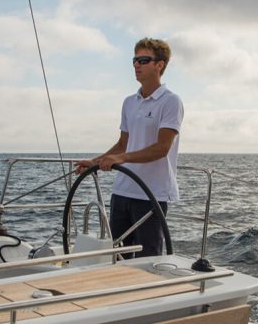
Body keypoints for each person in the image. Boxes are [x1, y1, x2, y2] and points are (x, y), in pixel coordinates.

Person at [77, 37, 184, 259]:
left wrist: (121, 159)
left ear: (159, 65)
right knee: (117, 257)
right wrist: (96, 161)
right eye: (134, 60)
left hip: (151, 193)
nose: (136, 65)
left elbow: (162, 148)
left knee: (149, 260)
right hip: (122, 191)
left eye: (144, 60)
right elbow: (122, 144)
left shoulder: (170, 101)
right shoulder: (129, 102)